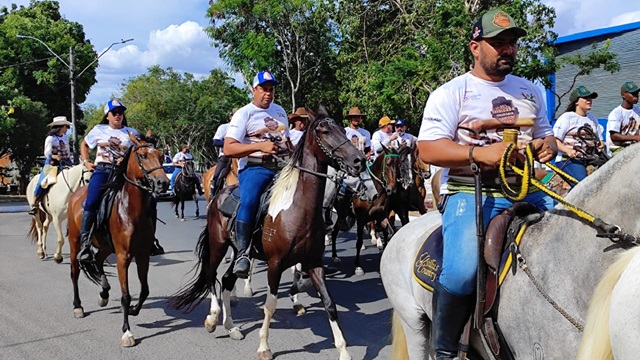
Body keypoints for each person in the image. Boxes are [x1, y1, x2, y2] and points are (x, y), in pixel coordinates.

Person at [417, 9, 557, 359]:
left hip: (526, 189)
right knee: (463, 272)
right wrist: (480, 155)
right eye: (498, 43)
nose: (507, 49)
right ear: (475, 47)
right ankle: (445, 349)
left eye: (511, 43)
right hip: (469, 191)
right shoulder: (452, 92)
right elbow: (428, 148)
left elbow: (548, 139)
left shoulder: (528, 91)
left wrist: (544, 148)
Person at [224, 71, 292, 278]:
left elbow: (287, 141)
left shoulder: (280, 111)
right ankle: (243, 253)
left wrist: (292, 149)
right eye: (264, 89)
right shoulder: (244, 113)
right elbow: (228, 148)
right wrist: (260, 146)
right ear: (254, 90)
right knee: (250, 200)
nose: (268, 93)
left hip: (283, 167)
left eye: (271, 89)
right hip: (255, 167)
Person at [77, 100, 141, 262]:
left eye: (121, 112)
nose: (118, 115)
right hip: (103, 170)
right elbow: (84, 144)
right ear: (107, 116)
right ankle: (85, 243)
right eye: (115, 112)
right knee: (91, 201)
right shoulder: (99, 130)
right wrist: (85, 161)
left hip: (124, 173)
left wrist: (136, 143)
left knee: (149, 199)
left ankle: (150, 240)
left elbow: (140, 152)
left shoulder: (131, 132)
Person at [553, 85, 604, 182]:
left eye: (590, 98)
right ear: (576, 102)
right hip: (568, 160)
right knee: (582, 184)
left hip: (589, 159)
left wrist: (600, 144)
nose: (589, 100)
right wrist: (567, 150)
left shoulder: (593, 119)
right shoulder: (566, 118)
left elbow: (600, 140)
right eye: (585, 98)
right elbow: (555, 141)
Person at [29, 116, 74, 215]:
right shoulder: (50, 138)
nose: (67, 128)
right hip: (52, 163)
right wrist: (54, 156)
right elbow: (47, 153)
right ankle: (35, 203)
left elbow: (67, 151)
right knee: (42, 182)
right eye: (66, 126)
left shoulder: (66, 137)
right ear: (61, 126)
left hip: (66, 161)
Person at [606, 81, 640, 156]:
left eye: (637, 93)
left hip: (633, 146)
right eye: (633, 94)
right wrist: (635, 138)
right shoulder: (616, 113)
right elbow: (614, 136)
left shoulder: (637, 111)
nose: (636, 96)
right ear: (623, 95)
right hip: (617, 148)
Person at [211, 109, 234, 196]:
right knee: (217, 175)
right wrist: (230, 145)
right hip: (226, 156)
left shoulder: (246, 128)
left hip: (243, 156)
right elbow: (216, 141)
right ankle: (213, 196)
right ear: (230, 116)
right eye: (234, 116)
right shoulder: (224, 127)